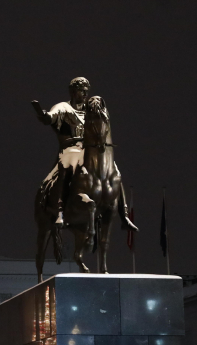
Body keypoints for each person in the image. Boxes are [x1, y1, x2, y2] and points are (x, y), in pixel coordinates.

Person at [32, 77, 137, 231]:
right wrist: (43, 114)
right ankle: (60, 210)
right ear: (73, 92)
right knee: (68, 165)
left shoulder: (89, 110)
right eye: (82, 91)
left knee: (113, 170)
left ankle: (124, 215)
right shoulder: (63, 107)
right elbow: (50, 117)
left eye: (86, 91)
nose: (85, 94)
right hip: (70, 148)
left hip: (89, 149)